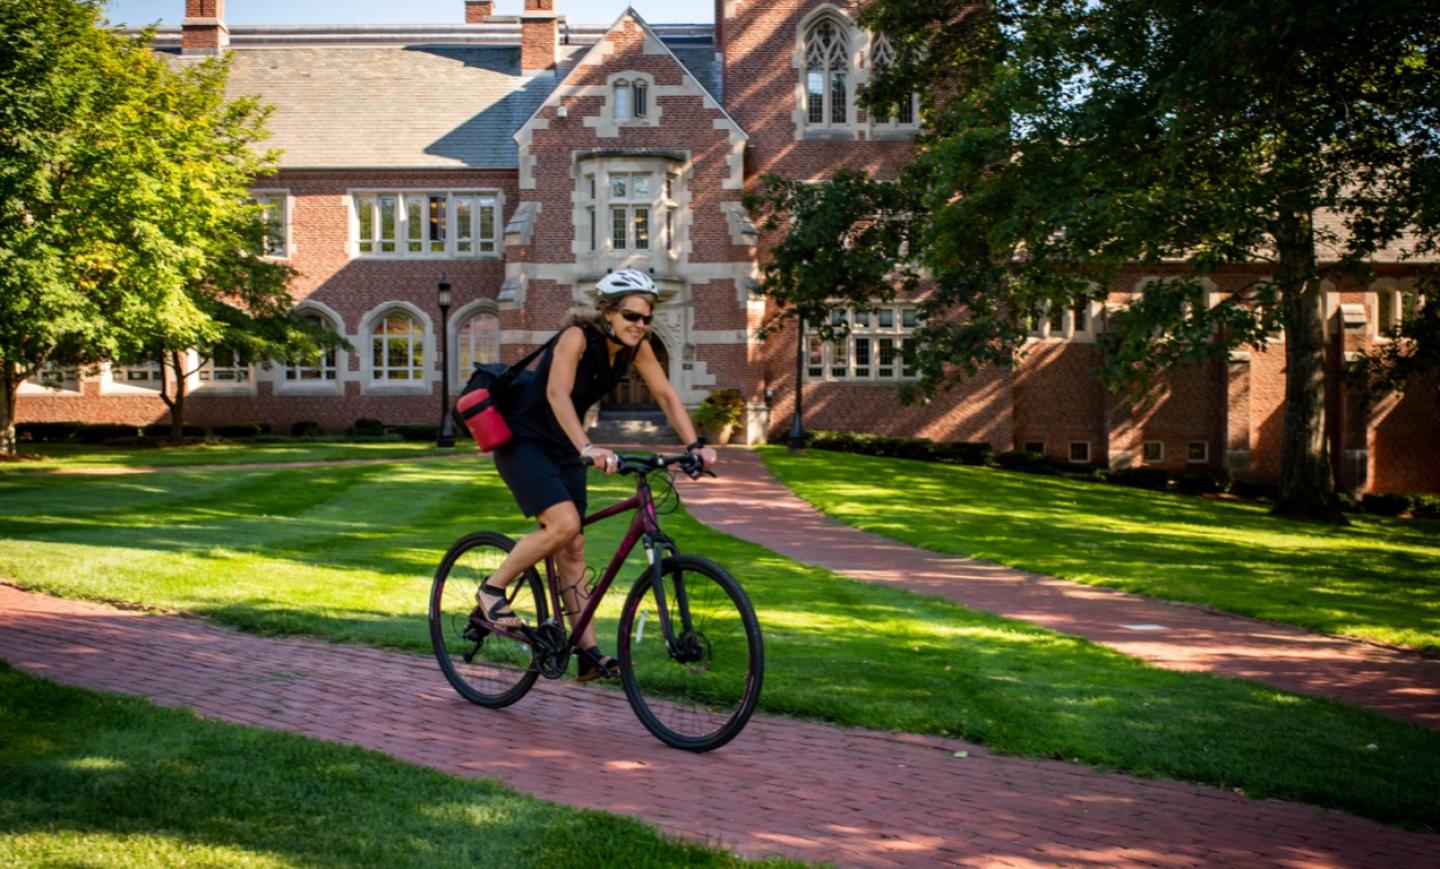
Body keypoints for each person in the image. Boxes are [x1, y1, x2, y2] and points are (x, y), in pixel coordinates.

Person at [478, 269, 720, 680]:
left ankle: (587, 654)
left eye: (645, 318)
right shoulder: (576, 338)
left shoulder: (635, 348)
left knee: (573, 545)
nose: (639, 325)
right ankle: (492, 590)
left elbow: (664, 393)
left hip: (564, 446)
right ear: (607, 312)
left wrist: (695, 445)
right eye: (630, 316)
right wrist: (588, 447)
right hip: (525, 440)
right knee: (564, 523)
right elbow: (556, 394)